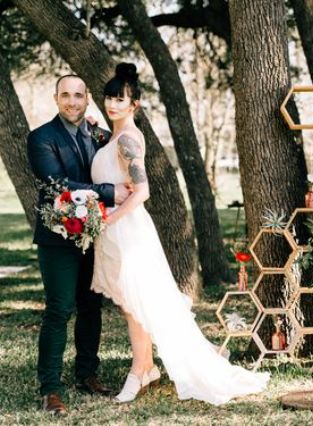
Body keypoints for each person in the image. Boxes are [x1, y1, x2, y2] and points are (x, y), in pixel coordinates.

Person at [91, 63, 269, 405]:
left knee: (138, 304)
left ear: (134, 105)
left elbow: (142, 191)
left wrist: (109, 221)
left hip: (127, 230)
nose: (112, 104)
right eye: (109, 97)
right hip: (113, 230)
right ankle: (144, 368)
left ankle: (140, 370)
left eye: (120, 99)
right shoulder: (113, 135)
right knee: (131, 305)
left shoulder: (128, 138)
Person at [27, 75, 132, 415]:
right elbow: (57, 184)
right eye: (65, 95)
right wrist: (108, 192)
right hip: (58, 238)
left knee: (91, 306)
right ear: (56, 98)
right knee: (59, 309)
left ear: (88, 99)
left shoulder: (98, 135)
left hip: (94, 234)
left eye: (78, 95)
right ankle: (50, 389)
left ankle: (87, 374)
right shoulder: (41, 138)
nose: (72, 101)